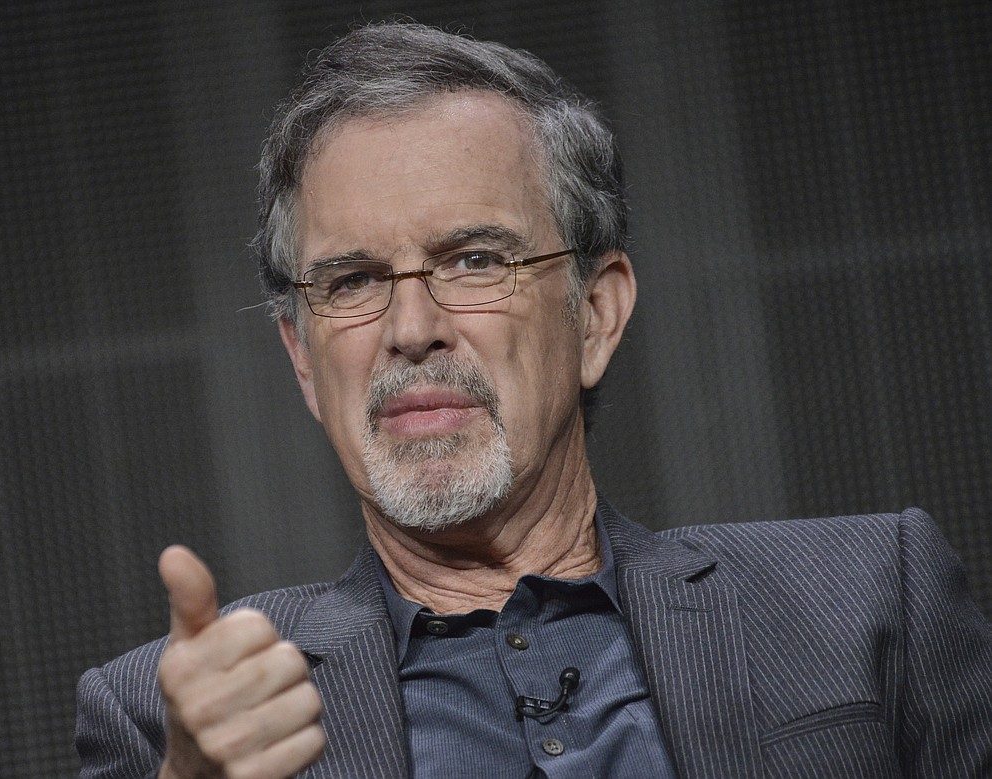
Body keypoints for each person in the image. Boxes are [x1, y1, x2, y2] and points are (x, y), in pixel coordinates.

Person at [76, 21, 992, 779]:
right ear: (304, 360)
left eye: (475, 260)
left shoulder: (870, 600)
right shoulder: (172, 720)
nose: (411, 326)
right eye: (351, 281)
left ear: (594, 314)